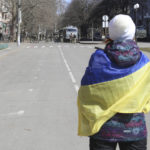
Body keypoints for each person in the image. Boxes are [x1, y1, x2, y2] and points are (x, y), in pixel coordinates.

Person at [77, 14, 150, 150]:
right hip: (134, 130)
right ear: (133, 32)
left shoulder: (98, 59)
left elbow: (87, 90)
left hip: (103, 128)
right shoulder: (144, 62)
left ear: (111, 33)